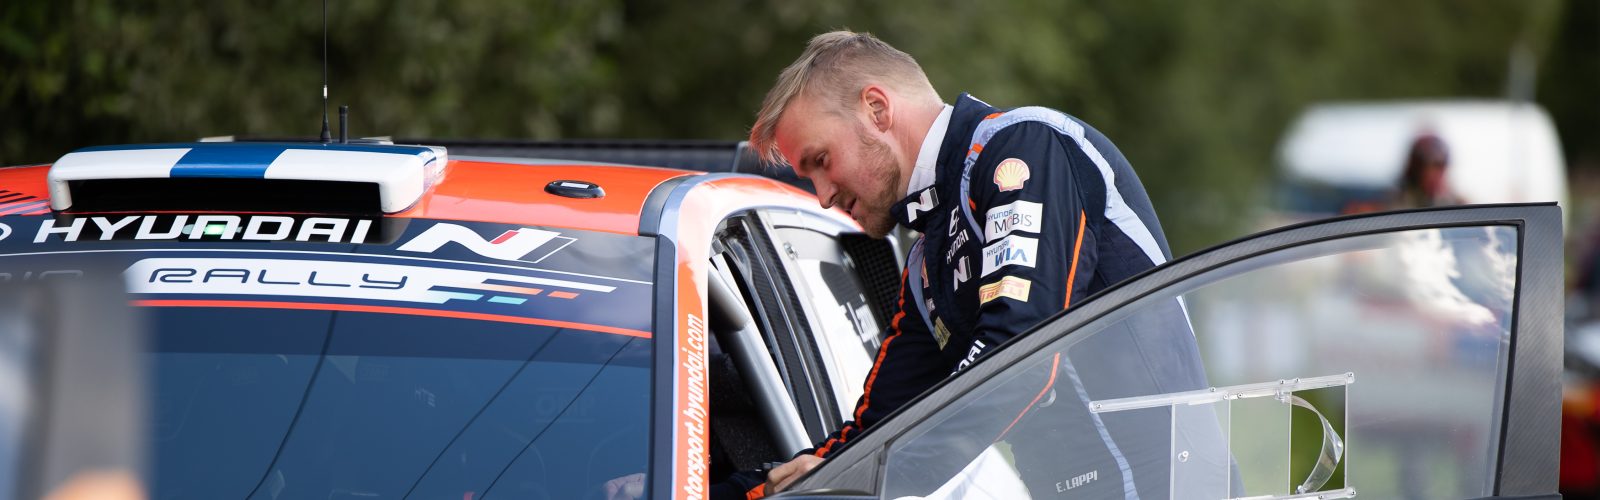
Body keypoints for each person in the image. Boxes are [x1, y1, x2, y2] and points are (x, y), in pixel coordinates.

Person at [715, 30, 1186, 499]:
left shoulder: (1023, 146)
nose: (822, 196)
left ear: (877, 109)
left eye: (822, 160)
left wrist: (860, 480)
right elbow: (875, 435)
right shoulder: (929, 260)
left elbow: (1021, 356)